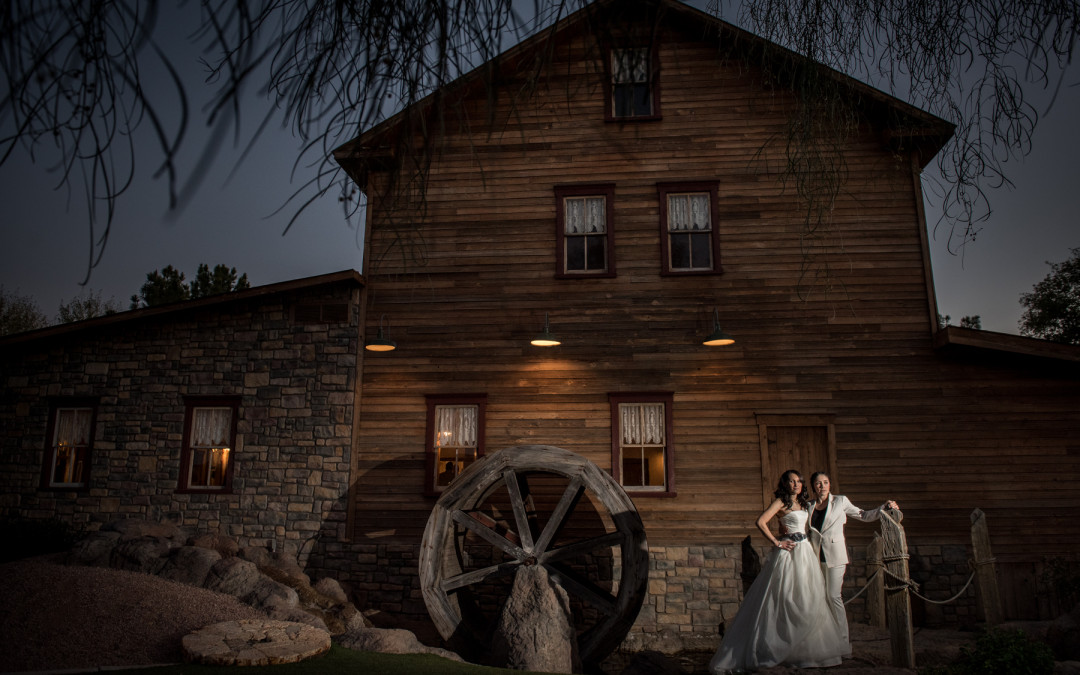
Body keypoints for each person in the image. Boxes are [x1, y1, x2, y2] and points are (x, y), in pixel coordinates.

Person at [709, 470, 846, 673]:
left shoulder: (805, 503)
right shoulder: (781, 502)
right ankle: (777, 646)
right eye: (791, 481)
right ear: (785, 484)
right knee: (784, 596)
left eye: (798, 481)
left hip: (806, 552)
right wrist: (776, 541)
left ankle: (807, 650)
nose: (795, 484)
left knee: (808, 596)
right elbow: (761, 521)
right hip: (788, 552)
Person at [807, 471, 899, 657]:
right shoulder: (808, 505)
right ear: (813, 487)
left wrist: (884, 507)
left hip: (836, 555)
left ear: (830, 484)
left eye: (825, 482)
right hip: (814, 557)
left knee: (834, 597)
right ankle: (826, 642)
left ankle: (842, 644)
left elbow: (863, 515)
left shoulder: (840, 501)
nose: (822, 486)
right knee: (821, 599)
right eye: (818, 483)